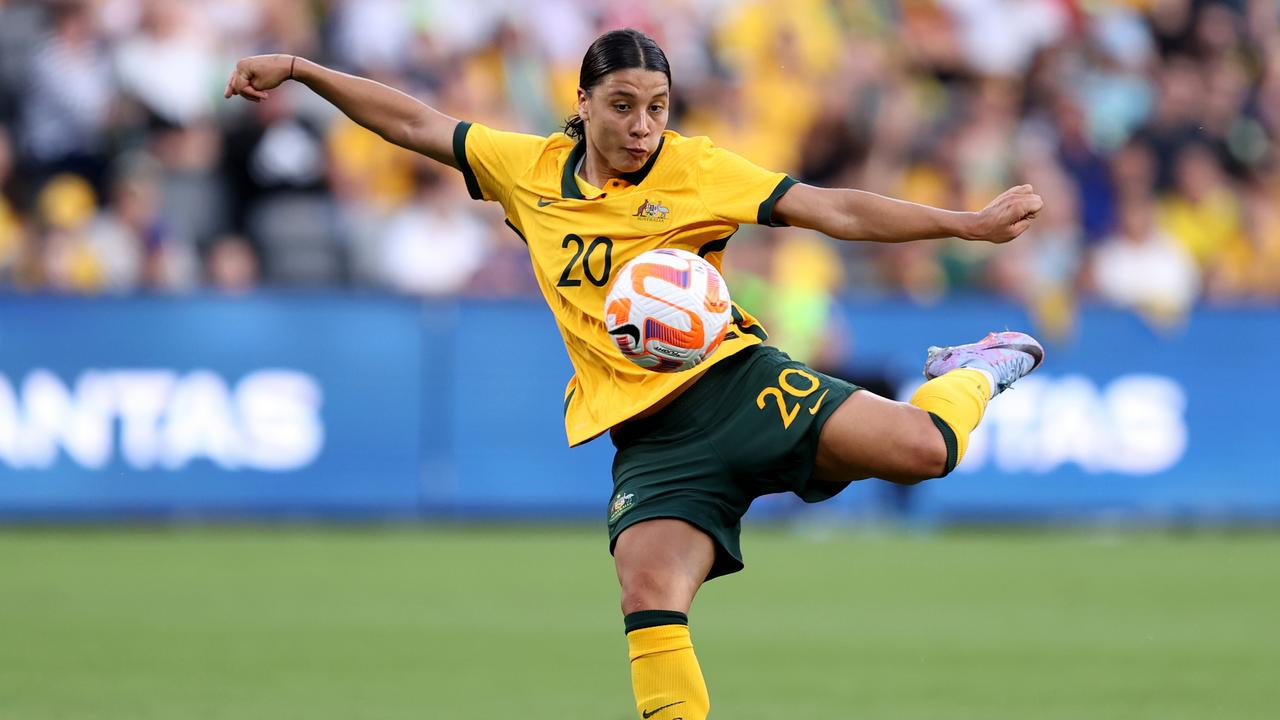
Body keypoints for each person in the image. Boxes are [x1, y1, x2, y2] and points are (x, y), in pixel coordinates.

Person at [225, 28, 1045, 720]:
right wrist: (301, 69)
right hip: (651, 441)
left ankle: (968, 369)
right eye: (622, 105)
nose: (642, 125)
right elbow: (412, 122)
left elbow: (833, 209)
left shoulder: (698, 170)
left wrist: (966, 225)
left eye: (656, 107)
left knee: (928, 449)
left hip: (736, 384)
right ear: (582, 103)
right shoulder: (528, 169)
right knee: (647, 590)